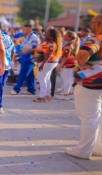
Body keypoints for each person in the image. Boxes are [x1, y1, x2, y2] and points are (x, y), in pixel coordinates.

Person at [65, 15, 102, 160]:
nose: (91, 25)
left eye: (93, 23)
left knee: (89, 118)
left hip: (90, 83)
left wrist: (82, 64)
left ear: (98, 23)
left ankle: (84, 150)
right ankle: (98, 147)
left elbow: (83, 53)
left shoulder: (97, 38)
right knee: (98, 116)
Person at [33, 29, 62, 102]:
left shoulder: (51, 44)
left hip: (47, 62)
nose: (46, 34)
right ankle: (47, 94)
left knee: (42, 79)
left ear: (51, 35)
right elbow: (43, 42)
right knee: (47, 78)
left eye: (48, 33)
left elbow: (49, 54)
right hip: (49, 62)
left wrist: (43, 64)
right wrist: (40, 33)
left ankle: (41, 96)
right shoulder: (48, 42)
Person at [11, 25, 40, 95]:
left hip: (29, 59)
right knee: (30, 75)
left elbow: (38, 49)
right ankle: (31, 90)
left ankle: (16, 89)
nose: (22, 31)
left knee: (22, 74)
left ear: (29, 29)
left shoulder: (34, 38)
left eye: (24, 29)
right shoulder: (26, 37)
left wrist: (27, 50)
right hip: (24, 58)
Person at [55, 31, 80, 100]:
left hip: (67, 65)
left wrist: (60, 66)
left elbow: (65, 57)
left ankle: (65, 95)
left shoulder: (68, 46)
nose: (64, 36)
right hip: (72, 64)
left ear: (69, 37)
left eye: (65, 35)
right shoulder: (73, 45)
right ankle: (70, 93)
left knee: (66, 79)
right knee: (69, 79)